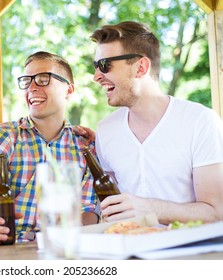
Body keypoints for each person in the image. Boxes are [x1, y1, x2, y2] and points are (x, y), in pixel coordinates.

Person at [90, 21, 223, 225]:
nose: (96, 76)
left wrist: (149, 209)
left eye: (104, 65)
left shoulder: (200, 121)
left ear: (141, 67)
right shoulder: (105, 130)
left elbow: (216, 212)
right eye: (95, 66)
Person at [0, 51, 99, 245]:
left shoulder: (85, 146)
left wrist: (60, 234)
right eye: (26, 81)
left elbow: (89, 210)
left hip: (63, 249)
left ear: (69, 90)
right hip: (9, 251)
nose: (31, 87)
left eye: (43, 79)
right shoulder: (3, 136)